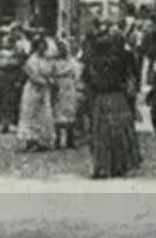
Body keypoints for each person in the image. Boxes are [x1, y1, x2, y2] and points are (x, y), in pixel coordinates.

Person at [85, 22, 142, 178]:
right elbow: (128, 76)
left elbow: (89, 81)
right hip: (118, 98)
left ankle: (102, 166)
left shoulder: (94, 63)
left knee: (101, 134)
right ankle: (120, 165)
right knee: (119, 133)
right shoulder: (118, 60)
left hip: (101, 100)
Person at [17, 38, 55, 152]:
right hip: (33, 89)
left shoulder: (47, 59)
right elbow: (31, 75)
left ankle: (43, 141)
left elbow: (52, 71)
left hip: (45, 89)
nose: (42, 48)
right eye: (40, 45)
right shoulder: (32, 60)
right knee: (30, 113)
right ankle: (30, 141)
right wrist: (42, 82)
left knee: (44, 114)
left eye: (44, 46)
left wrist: (50, 80)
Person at [52, 40, 82, 149]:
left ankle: (70, 138)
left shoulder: (72, 62)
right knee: (57, 111)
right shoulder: (54, 62)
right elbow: (52, 73)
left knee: (70, 111)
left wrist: (74, 83)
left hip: (69, 86)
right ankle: (58, 139)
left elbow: (77, 74)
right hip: (58, 86)